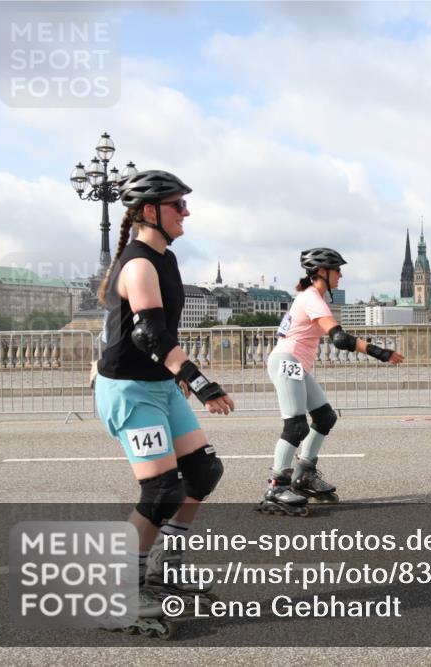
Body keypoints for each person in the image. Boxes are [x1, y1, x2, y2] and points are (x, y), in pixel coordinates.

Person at [94, 170, 234, 608]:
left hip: (158, 384)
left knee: (203, 473)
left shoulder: (166, 260)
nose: (186, 212)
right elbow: (149, 335)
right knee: (162, 492)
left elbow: (163, 333)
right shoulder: (137, 264)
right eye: (178, 205)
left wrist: (175, 374)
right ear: (150, 211)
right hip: (130, 392)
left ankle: (163, 569)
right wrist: (200, 381)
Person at [259, 247, 403, 515]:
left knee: (325, 417)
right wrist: (381, 353)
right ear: (322, 272)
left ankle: (304, 474)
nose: (341, 275)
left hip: (295, 365)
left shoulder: (310, 296)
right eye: (337, 270)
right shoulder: (312, 297)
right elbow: (339, 339)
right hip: (287, 362)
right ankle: (277, 486)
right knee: (295, 425)